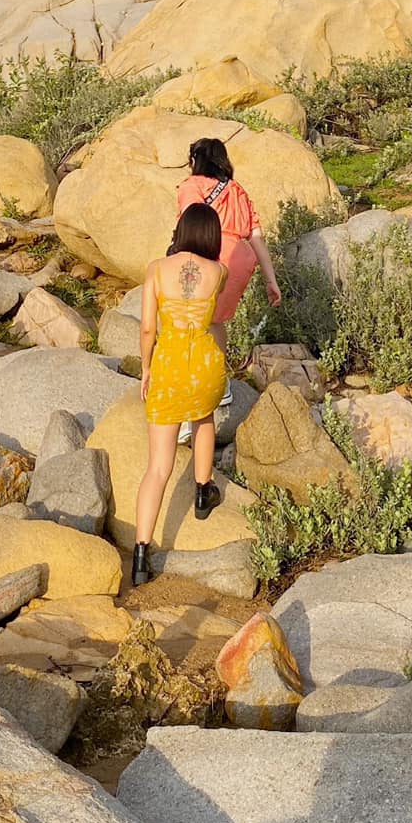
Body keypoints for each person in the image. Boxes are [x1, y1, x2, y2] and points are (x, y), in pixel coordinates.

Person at [132, 202, 228, 588]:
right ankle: (204, 492)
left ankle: (141, 555)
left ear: (182, 230)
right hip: (204, 364)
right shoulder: (218, 272)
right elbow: (214, 319)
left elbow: (147, 329)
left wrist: (145, 368)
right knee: (204, 416)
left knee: (158, 466)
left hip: (168, 366)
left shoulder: (156, 269)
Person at [176, 136, 283, 382]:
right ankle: (218, 379)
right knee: (216, 321)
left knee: (191, 317)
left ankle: (192, 378)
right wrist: (271, 280)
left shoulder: (192, 185)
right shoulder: (237, 190)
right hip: (241, 258)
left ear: (195, 160)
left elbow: (192, 221)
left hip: (209, 251)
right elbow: (256, 237)